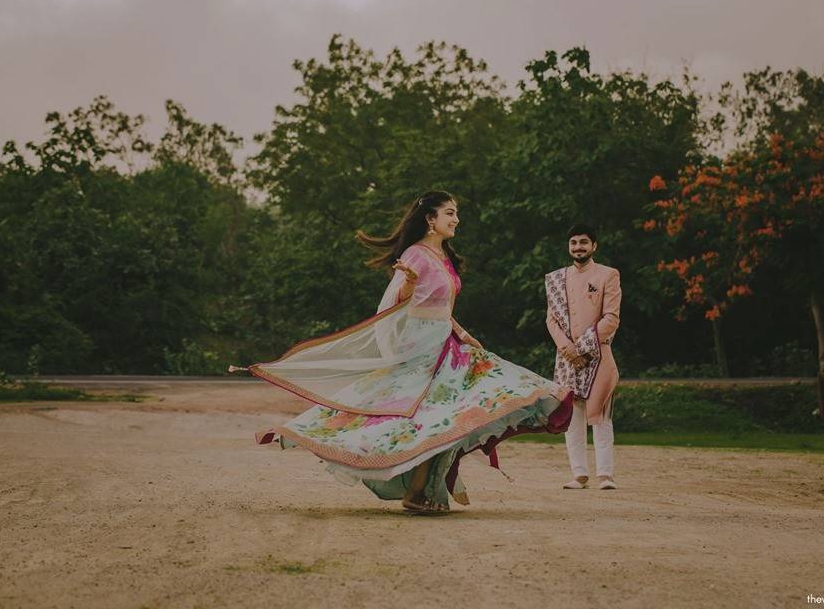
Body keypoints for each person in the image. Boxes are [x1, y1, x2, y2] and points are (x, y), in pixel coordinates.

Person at [240, 191, 574, 514]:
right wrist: (409, 287)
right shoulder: (416, 254)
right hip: (422, 347)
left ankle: (422, 490)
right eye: (450, 213)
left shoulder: (444, 257)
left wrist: (464, 334)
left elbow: (442, 307)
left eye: (456, 212)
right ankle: (413, 490)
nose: (457, 219)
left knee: (453, 413)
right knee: (427, 416)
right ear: (431, 219)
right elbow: (399, 301)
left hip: (447, 344)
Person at [545, 223, 621, 490]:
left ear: (594, 246)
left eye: (584, 242)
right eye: (574, 242)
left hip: (598, 354)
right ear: (569, 246)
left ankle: (605, 475)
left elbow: (611, 318)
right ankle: (579, 474)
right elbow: (551, 319)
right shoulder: (556, 278)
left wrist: (584, 347)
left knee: (600, 413)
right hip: (566, 357)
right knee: (572, 416)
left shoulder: (608, 275)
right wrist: (568, 349)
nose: (578, 247)